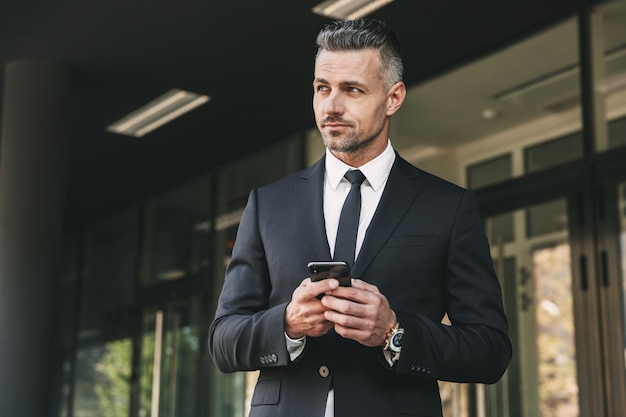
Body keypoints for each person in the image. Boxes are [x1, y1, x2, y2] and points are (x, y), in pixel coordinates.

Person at [209, 18, 512, 417]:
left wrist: (394, 331)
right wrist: (287, 323)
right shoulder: (269, 204)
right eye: (322, 89)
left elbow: (490, 351)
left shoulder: (448, 208)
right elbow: (222, 341)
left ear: (393, 98)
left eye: (352, 89)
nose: (331, 106)